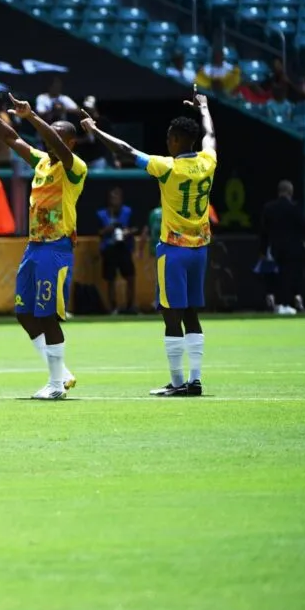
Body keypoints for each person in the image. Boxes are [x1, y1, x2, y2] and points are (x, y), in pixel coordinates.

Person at [83, 90, 217, 396]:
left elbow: (126, 151)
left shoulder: (167, 167)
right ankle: (195, 380)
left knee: (171, 315)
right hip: (200, 250)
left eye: (170, 138)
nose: (167, 142)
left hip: (174, 250)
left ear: (177, 140)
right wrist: (205, 108)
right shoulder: (208, 162)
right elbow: (210, 134)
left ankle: (178, 382)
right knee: (192, 313)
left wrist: (95, 130)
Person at [0, 87, 83, 399]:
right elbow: (10, 139)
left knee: (47, 314)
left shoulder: (74, 168)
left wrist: (32, 116)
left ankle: (57, 384)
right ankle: (60, 374)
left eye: (54, 138)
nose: (46, 142)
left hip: (56, 247)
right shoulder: (42, 162)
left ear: (69, 144)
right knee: (24, 312)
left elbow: (56, 145)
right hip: (34, 247)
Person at [259, 180, 305, 315]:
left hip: (274, 249)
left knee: (274, 276)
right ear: (290, 192)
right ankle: (292, 301)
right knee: (292, 275)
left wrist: (262, 250)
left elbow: (264, 232)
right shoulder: (295, 208)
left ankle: (273, 301)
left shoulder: (269, 208)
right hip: (294, 250)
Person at [97, 187, 137, 314]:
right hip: (109, 249)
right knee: (110, 279)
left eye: (117, 197)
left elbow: (136, 227)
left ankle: (130, 306)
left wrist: (127, 232)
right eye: (112, 197)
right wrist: (107, 230)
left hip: (124, 248)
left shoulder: (128, 212)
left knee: (130, 277)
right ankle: (113, 307)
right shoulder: (102, 214)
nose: (115, 199)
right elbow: (98, 232)